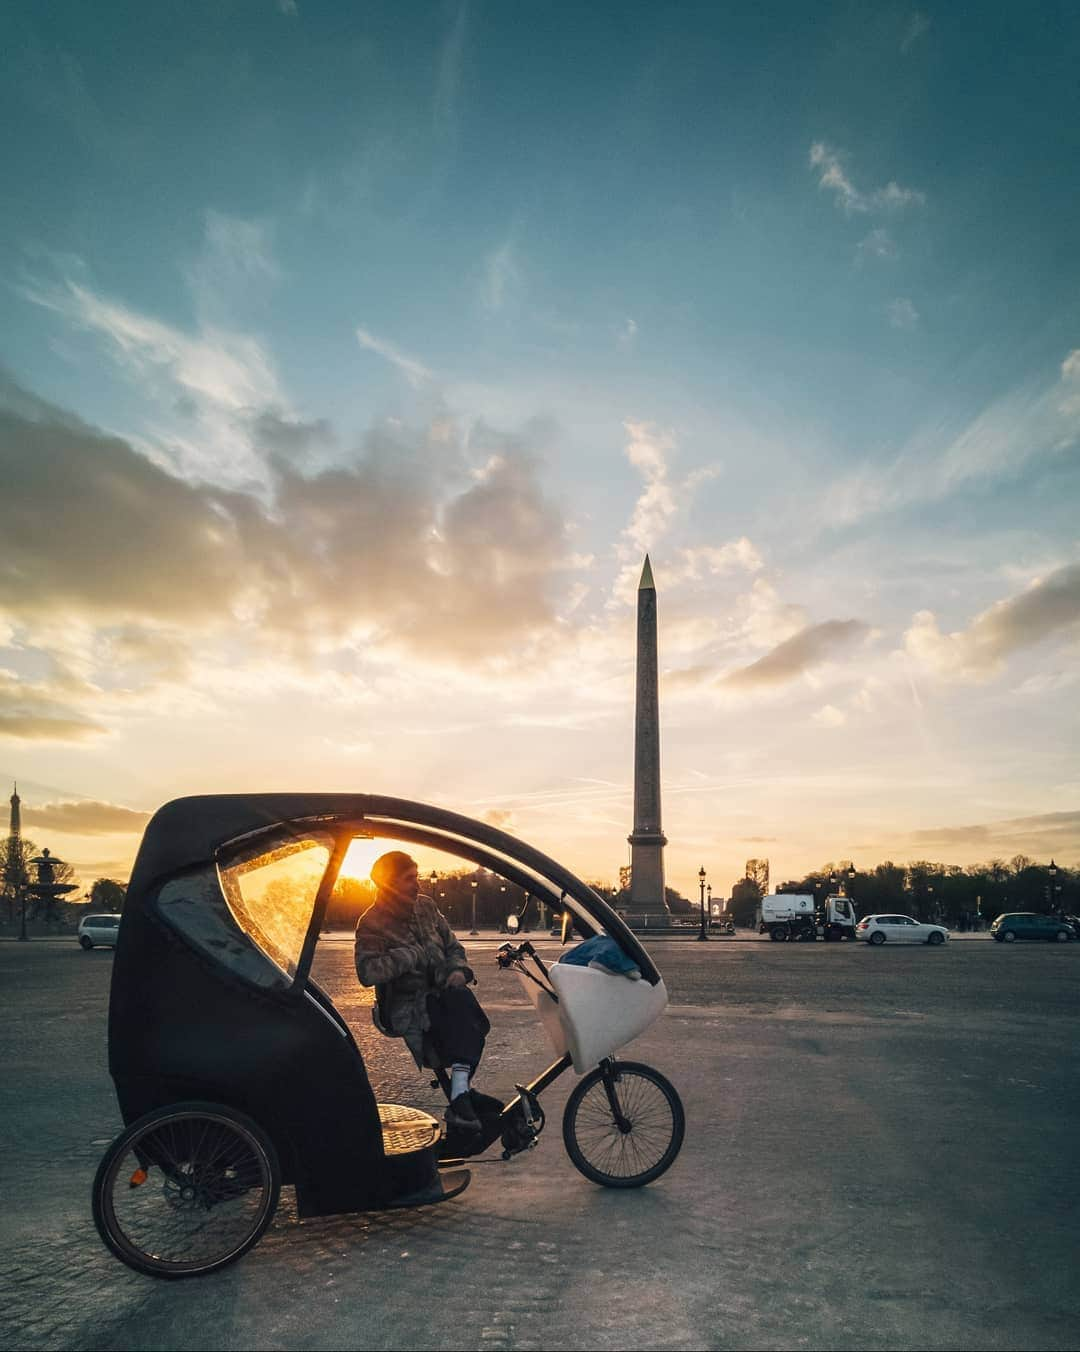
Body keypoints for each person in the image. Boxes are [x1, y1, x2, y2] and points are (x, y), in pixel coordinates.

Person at [354, 851, 490, 1134]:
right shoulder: (372, 922)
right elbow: (367, 972)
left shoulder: (426, 907)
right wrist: (411, 955)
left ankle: (460, 1094)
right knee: (465, 1016)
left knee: (473, 1017)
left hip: (443, 995)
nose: (417, 884)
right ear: (388, 883)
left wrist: (457, 971)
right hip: (408, 1004)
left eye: (417, 876)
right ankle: (461, 1095)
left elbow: (453, 946)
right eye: (409, 879)